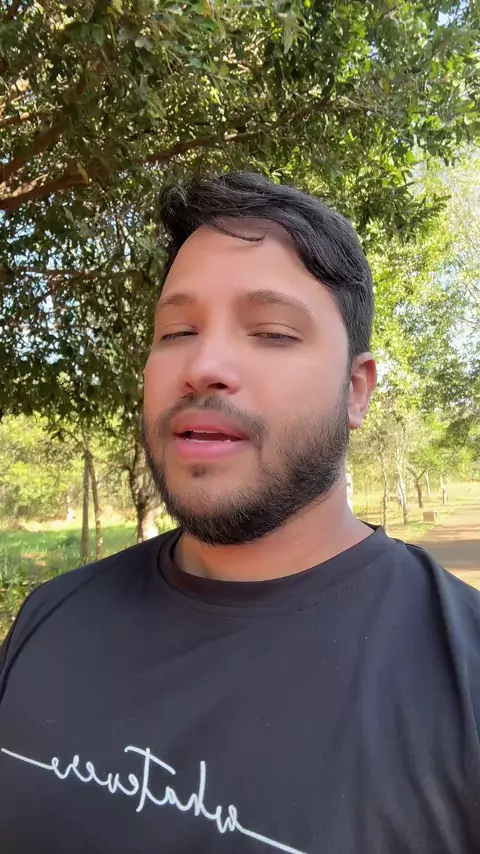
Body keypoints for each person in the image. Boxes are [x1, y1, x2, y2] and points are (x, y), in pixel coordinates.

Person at [0, 172, 479, 854]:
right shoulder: (50, 618)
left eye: (273, 332)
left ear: (355, 390)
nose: (204, 364)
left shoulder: (462, 678)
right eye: (177, 330)